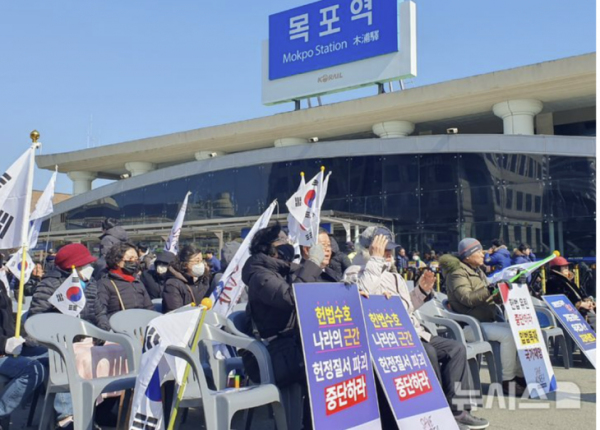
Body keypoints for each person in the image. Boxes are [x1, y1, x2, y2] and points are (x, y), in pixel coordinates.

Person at [344, 227, 489, 430]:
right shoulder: (355, 272)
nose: (388, 255)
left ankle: (459, 411)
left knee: (456, 349)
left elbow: (405, 308)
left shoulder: (394, 275)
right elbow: (361, 296)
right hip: (385, 340)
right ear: (369, 249)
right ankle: (435, 410)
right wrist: (375, 261)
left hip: (411, 332)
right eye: (383, 250)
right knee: (427, 352)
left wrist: (422, 291)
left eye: (389, 250)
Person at [242, 223, 326, 428]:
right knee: (320, 369)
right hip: (273, 353)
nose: (288, 244)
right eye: (283, 241)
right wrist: (313, 262)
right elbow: (291, 297)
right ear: (269, 248)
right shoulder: (259, 274)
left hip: (292, 346)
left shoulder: (284, 269)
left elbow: (313, 287)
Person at [443, 238, 526, 396]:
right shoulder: (457, 273)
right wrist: (490, 288)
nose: (483, 254)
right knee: (508, 335)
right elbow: (467, 298)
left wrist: (509, 286)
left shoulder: (477, 271)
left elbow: (488, 297)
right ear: (467, 256)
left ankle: (519, 376)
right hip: (468, 326)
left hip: (484, 321)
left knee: (517, 330)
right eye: (478, 251)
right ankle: (507, 381)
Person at [0, 276, 46, 423]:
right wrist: (4, 343)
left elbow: (8, 321)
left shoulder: (0, 283)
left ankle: (65, 414)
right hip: (3, 350)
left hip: (8, 348)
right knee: (32, 370)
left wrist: (21, 339)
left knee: (58, 356)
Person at [29, 243, 98, 325]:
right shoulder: (49, 285)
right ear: (72, 267)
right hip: (61, 335)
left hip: (90, 333)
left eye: (89, 263)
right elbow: (37, 319)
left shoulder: (91, 284)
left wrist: (101, 333)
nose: (89, 267)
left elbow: (100, 313)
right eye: (84, 265)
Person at [96, 242, 153, 331]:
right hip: (118, 331)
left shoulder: (137, 282)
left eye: (136, 259)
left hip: (141, 330)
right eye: (130, 259)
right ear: (117, 261)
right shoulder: (105, 283)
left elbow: (149, 308)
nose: (134, 262)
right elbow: (100, 313)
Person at [546, 257, 596, 330]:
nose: (567, 268)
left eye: (567, 266)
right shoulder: (553, 281)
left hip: (580, 311)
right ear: (556, 268)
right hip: (570, 315)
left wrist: (588, 301)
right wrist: (579, 304)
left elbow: (580, 293)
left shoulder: (567, 280)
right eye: (564, 267)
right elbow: (561, 299)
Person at [162, 245, 211, 313]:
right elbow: (175, 314)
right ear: (185, 264)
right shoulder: (173, 285)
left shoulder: (203, 280)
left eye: (201, 260)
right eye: (197, 261)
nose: (201, 264)